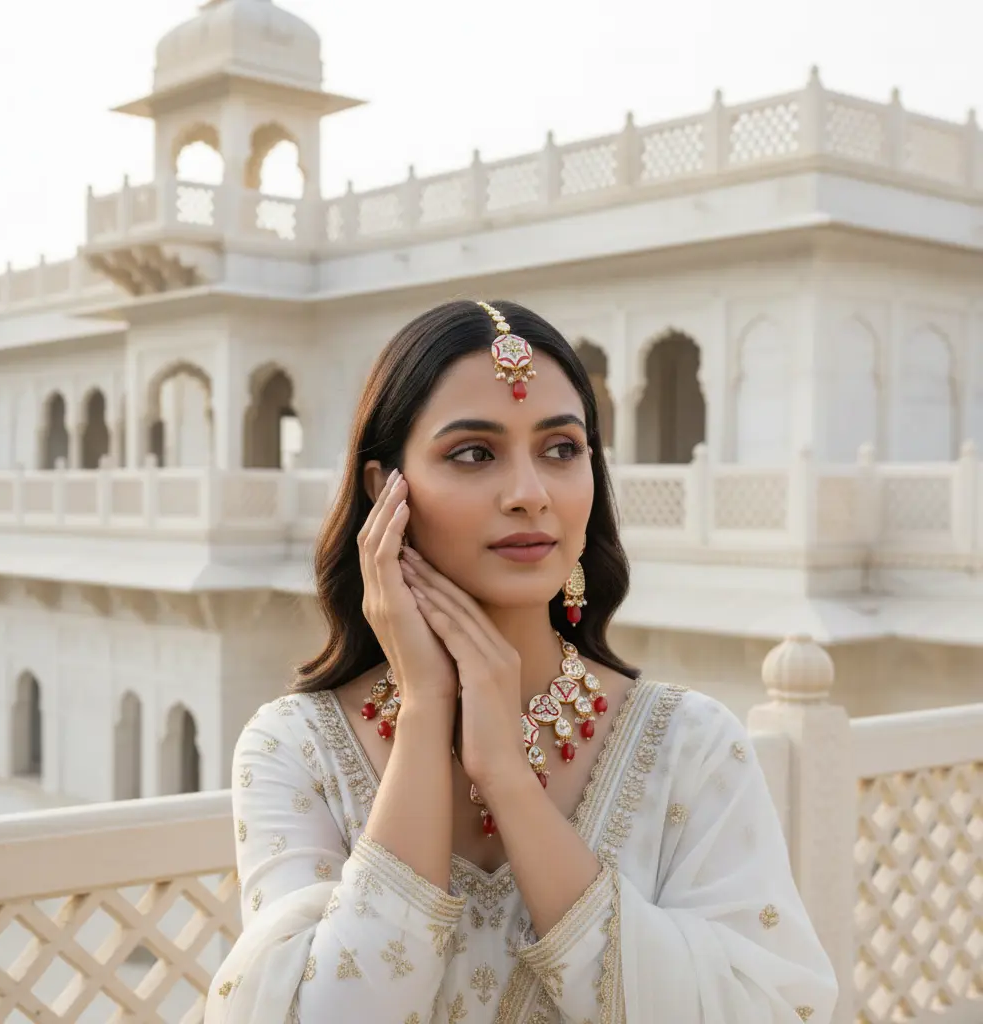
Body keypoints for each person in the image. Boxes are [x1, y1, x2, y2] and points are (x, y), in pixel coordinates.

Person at [205, 300, 838, 1024]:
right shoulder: (296, 748)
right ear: (386, 489)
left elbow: (768, 1010)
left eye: (562, 449)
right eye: (474, 453)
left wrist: (506, 774)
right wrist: (425, 711)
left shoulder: (690, 745)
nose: (530, 494)